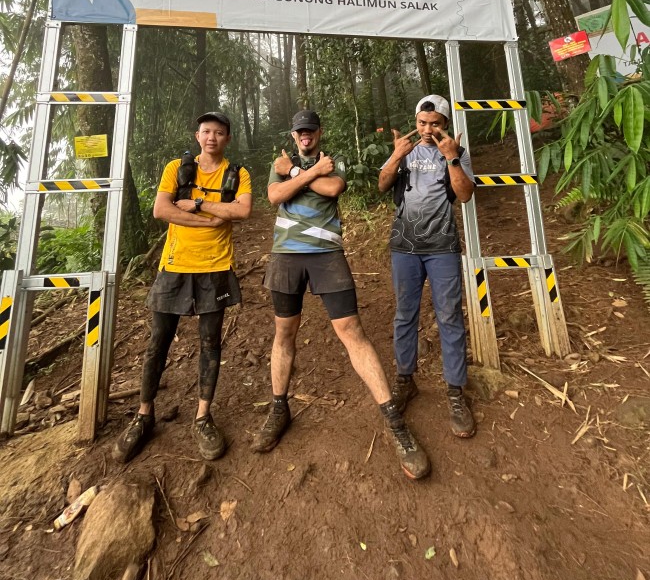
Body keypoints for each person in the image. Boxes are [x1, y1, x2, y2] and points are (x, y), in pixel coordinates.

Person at [251, 109, 430, 480]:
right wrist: (302, 175)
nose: (305, 136)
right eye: (300, 131)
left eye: (311, 131)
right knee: (284, 333)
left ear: (319, 133)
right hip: (285, 257)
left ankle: (394, 422)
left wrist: (300, 173)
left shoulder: (336, 163)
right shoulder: (279, 163)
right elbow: (274, 196)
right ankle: (279, 408)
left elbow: (333, 188)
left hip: (327, 257)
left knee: (352, 331)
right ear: (293, 133)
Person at [113, 112, 252, 463]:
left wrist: (198, 204)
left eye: (219, 133)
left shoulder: (238, 174)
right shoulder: (177, 168)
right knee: (157, 341)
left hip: (216, 267)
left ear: (227, 139)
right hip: (174, 265)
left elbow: (244, 211)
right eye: (206, 131)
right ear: (197, 135)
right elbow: (162, 210)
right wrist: (212, 218)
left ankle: (203, 416)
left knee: (210, 343)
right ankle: (144, 415)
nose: (212, 138)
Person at [378, 94, 476, 438]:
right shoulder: (405, 151)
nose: (427, 129)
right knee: (405, 314)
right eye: (422, 122)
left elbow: (464, 195)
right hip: (404, 247)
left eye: (435, 123)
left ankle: (455, 392)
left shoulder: (457, 153)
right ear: (416, 121)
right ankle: (405, 380)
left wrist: (451, 157)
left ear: (445, 125)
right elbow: (382, 184)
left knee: (449, 315)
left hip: (442, 247)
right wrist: (395, 155)